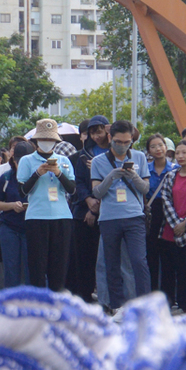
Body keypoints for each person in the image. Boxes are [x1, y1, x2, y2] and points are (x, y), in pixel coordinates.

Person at [89, 120, 151, 312]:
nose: (123, 145)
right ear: (110, 138)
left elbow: (145, 189)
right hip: (109, 219)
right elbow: (97, 193)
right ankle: (117, 306)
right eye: (118, 141)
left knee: (139, 261)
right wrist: (112, 176)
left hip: (134, 217)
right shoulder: (98, 161)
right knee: (112, 263)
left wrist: (133, 175)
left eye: (127, 142)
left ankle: (146, 305)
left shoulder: (139, 157)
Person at [17, 121, 76, 293]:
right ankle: (39, 306)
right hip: (37, 217)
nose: (46, 142)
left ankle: (56, 305)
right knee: (37, 265)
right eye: (42, 139)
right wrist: (37, 174)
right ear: (36, 141)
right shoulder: (27, 161)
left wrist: (58, 173)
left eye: (50, 139)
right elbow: (22, 191)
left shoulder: (64, 161)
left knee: (59, 266)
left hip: (62, 216)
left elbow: (72, 189)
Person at [154, 137, 186, 312]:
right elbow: (165, 200)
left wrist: (185, 224)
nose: (180, 156)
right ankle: (169, 304)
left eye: (185, 152)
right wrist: (176, 224)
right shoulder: (170, 175)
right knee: (168, 272)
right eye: (178, 153)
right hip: (169, 233)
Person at [69, 116, 109, 302]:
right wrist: (88, 201)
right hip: (83, 210)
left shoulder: (114, 152)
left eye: (100, 131)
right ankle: (84, 293)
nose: (97, 135)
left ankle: (106, 295)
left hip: (109, 209)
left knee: (106, 258)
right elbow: (78, 182)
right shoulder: (84, 155)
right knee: (84, 256)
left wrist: (96, 208)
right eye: (93, 132)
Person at [0, 138, 34, 291]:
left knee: (31, 269)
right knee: (11, 267)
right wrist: (11, 206)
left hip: (31, 227)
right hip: (9, 227)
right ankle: (11, 305)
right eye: (18, 161)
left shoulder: (37, 178)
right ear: (13, 161)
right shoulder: (6, 177)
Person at [142, 133, 173, 299]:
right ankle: (153, 294)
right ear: (148, 151)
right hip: (151, 212)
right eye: (153, 146)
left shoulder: (175, 168)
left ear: (166, 147)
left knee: (168, 254)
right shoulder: (145, 169)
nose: (157, 149)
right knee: (151, 254)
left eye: (160, 145)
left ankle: (169, 297)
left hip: (170, 212)